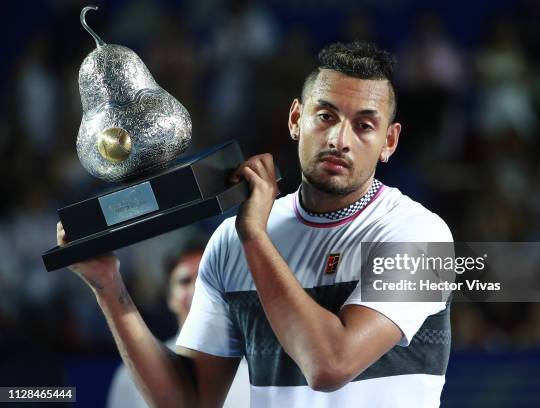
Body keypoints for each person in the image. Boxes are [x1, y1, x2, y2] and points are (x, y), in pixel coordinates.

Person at [57, 41, 453, 408]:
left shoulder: (420, 236)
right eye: (325, 116)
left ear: (390, 141)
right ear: (296, 118)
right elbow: (189, 401)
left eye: (364, 126)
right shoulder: (231, 242)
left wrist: (255, 236)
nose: (339, 139)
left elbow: (330, 365)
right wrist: (108, 286)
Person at [106, 241, 250, 408]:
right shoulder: (131, 375)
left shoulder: (263, 364)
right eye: (185, 281)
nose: (198, 290)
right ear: (170, 298)